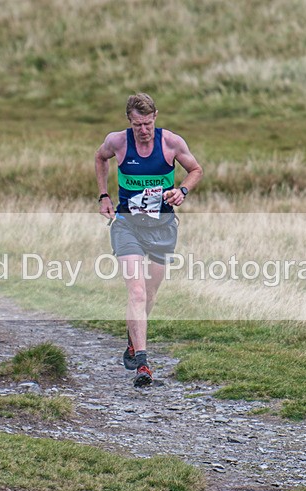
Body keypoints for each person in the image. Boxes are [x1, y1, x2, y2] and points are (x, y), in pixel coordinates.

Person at [94, 93, 203, 387]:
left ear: (155, 116)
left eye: (147, 124)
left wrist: (182, 191)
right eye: (137, 124)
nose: (143, 130)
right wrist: (104, 195)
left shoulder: (171, 143)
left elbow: (196, 170)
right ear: (129, 121)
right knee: (137, 292)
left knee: (150, 294)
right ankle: (142, 363)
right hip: (127, 225)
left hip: (162, 228)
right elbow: (100, 157)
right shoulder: (118, 141)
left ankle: (133, 339)